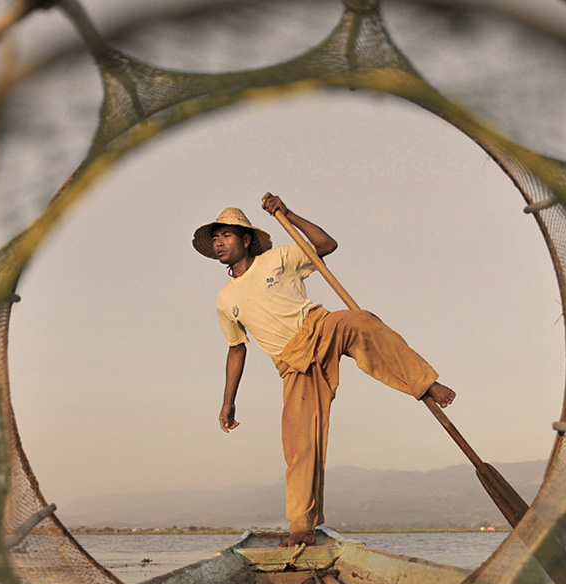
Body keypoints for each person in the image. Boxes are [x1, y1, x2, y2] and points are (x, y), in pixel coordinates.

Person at [193, 193, 455, 547]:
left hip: (320, 328)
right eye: (215, 238)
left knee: (362, 321)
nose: (219, 242)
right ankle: (302, 526)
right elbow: (236, 349)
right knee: (299, 445)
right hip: (292, 364)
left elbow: (326, 244)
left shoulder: (278, 258)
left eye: (225, 235)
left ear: (246, 239)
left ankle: (425, 384)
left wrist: (286, 213)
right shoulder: (225, 299)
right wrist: (228, 402)